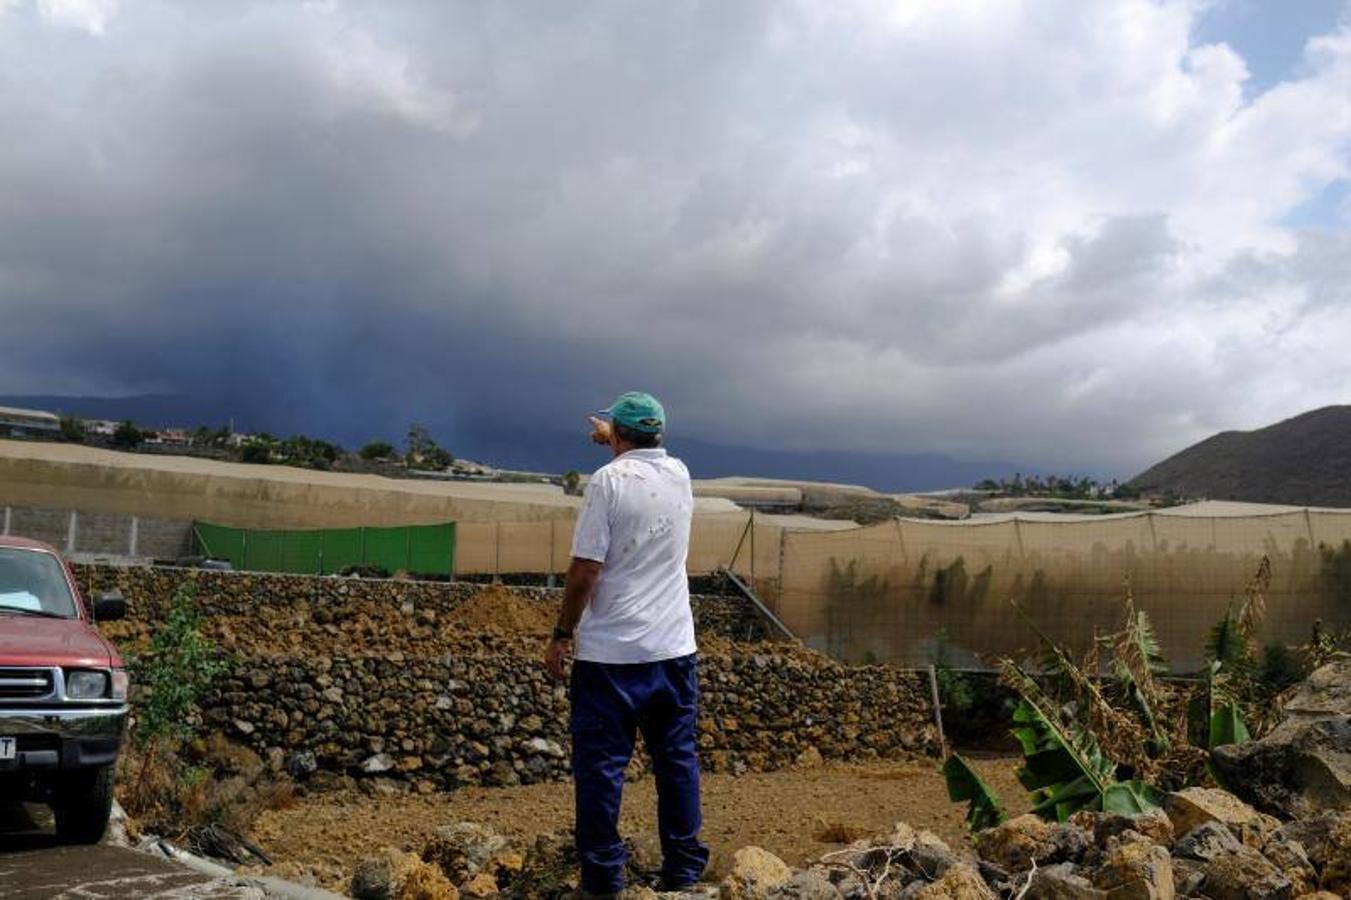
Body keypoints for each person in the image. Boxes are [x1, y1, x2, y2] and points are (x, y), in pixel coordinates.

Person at [544, 391, 709, 897]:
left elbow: (584, 571)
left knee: (601, 770)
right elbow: (644, 460)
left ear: (617, 436)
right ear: (659, 433)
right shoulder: (680, 475)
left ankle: (603, 880)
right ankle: (682, 872)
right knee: (676, 760)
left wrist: (561, 634)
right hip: (673, 650)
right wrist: (615, 436)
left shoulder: (607, 482)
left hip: (610, 658)